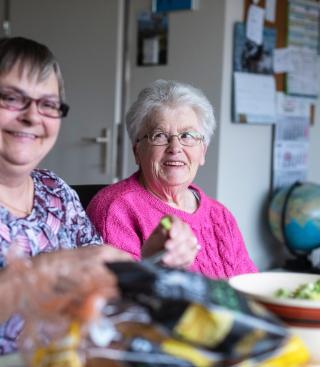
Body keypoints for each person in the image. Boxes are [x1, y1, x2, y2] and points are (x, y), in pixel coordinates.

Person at [0, 38, 191, 355]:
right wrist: (46, 271)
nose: (33, 116)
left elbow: (101, 285)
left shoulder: (56, 192)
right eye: (11, 98)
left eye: (47, 103)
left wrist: (148, 262)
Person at [87, 79, 257, 279]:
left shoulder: (221, 217)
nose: (175, 148)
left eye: (187, 136)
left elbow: (250, 288)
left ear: (203, 151)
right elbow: (123, 297)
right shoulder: (115, 209)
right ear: (137, 151)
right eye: (159, 136)